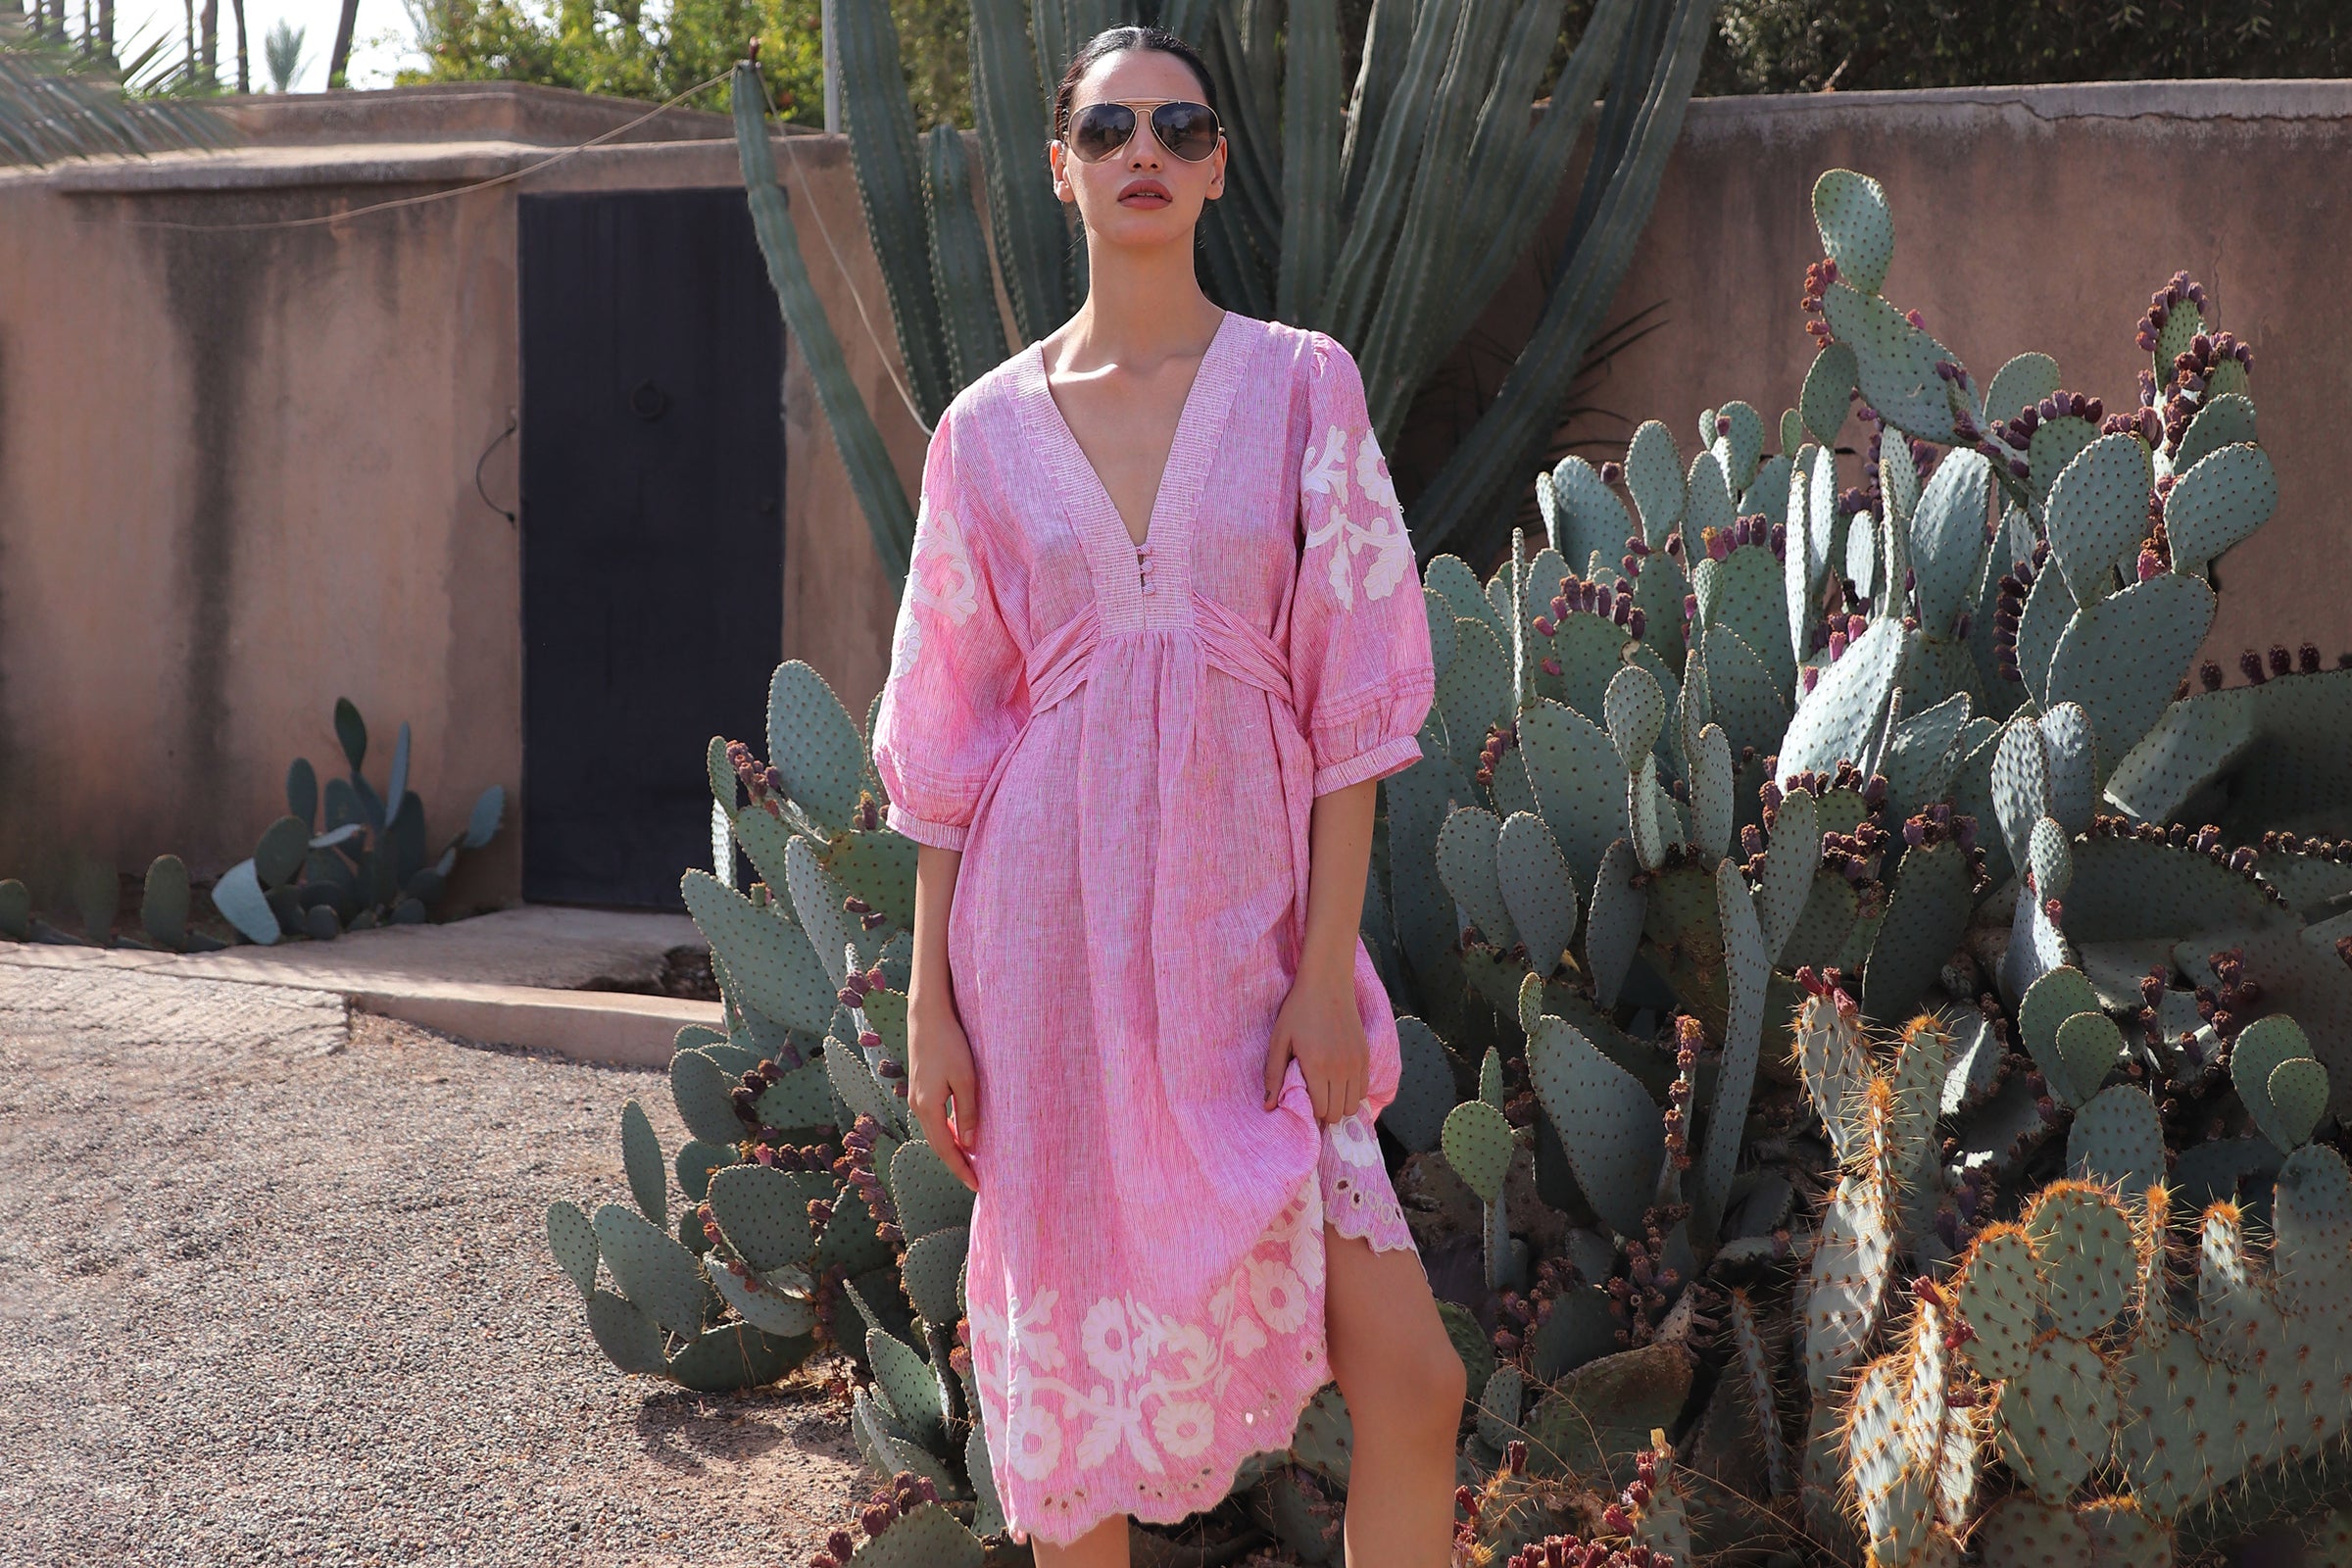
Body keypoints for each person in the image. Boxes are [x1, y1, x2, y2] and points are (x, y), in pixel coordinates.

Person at [868, 23, 1463, 1566]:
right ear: (1061, 170)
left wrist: (1324, 974)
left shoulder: (1302, 386)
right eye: (1110, 129)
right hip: (1048, 964)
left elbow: (1352, 707)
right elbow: (945, 740)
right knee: (1080, 1451)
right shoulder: (982, 434)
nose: (1146, 150)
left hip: (1253, 952)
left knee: (1415, 1383)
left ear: (1214, 172)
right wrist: (931, 1001)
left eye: (1181, 129)